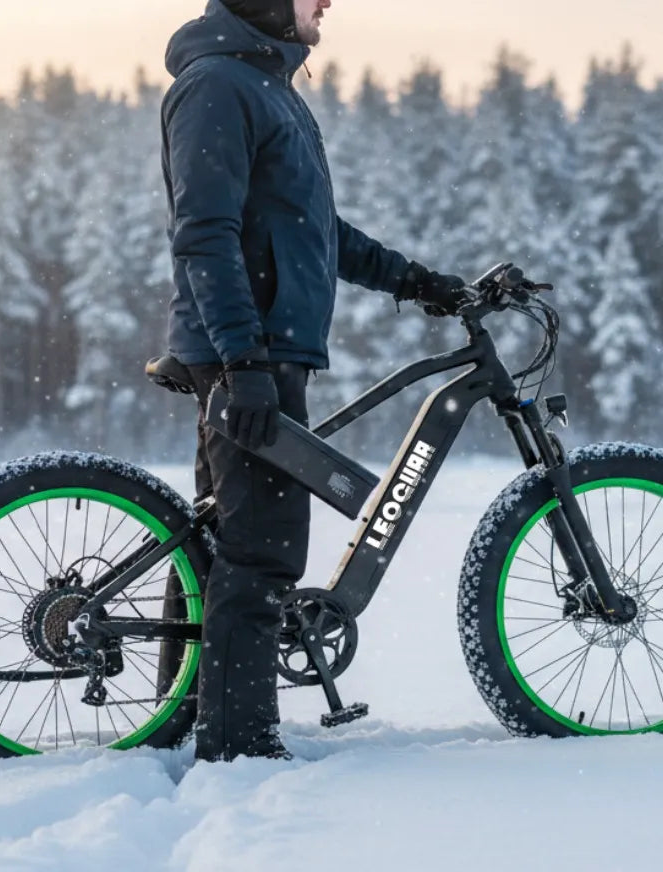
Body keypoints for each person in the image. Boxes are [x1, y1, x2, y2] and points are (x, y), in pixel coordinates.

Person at [155, 0, 468, 762]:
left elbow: (315, 231)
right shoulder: (218, 85)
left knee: (227, 543)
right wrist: (243, 362)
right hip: (247, 350)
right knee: (260, 551)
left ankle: (187, 717)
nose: (328, 1)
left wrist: (418, 282)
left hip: (264, 349)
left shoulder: (268, 88)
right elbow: (204, 234)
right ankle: (238, 747)